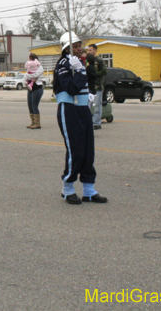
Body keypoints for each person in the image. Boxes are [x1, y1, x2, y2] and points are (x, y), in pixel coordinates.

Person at [54, 32, 106, 204]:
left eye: (79, 46)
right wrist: (79, 73)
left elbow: (86, 82)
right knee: (75, 149)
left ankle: (89, 189)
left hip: (83, 108)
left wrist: (90, 92)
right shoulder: (63, 64)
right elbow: (71, 88)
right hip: (69, 108)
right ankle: (68, 187)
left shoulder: (80, 63)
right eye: (75, 46)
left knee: (88, 149)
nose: (79, 49)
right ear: (66, 49)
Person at [86, 44, 107, 130]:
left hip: (97, 86)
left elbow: (104, 71)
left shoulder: (99, 60)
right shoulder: (87, 60)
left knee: (97, 106)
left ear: (95, 50)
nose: (89, 52)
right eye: (88, 50)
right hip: (89, 87)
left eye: (90, 50)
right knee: (88, 106)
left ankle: (96, 123)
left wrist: (94, 74)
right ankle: (88, 122)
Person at [23, 53, 44, 129]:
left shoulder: (40, 67)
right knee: (30, 105)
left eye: (29, 58)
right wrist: (28, 76)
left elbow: (35, 75)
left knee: (34, 105)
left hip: (37, 88)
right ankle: (33, 122)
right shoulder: (30, 67)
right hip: (30, 89)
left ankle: (37, 123)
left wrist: (28, 76)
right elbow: (25, 75)